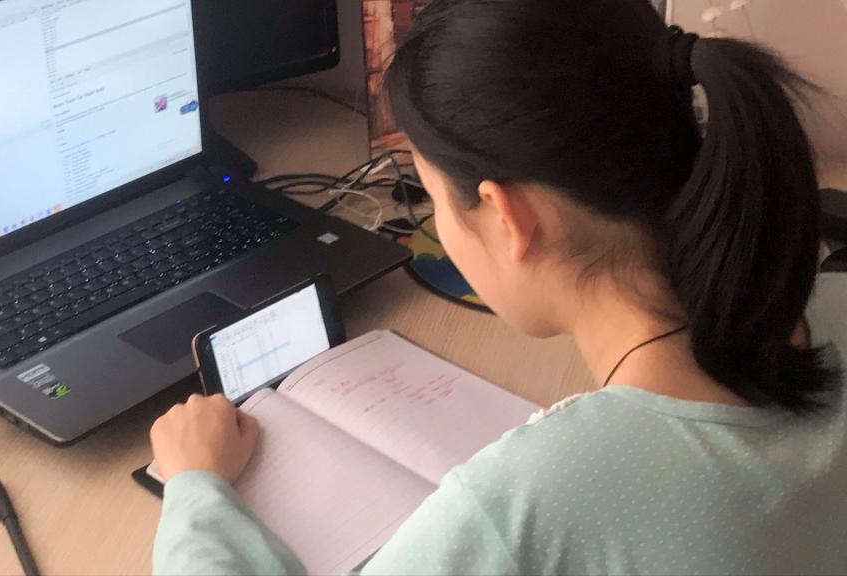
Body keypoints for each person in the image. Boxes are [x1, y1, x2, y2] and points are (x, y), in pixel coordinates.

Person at [149, 0, 847, 573]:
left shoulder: (526, 507)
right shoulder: (831, 303)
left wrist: (195, 488)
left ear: (509, 217)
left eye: (431, 199)